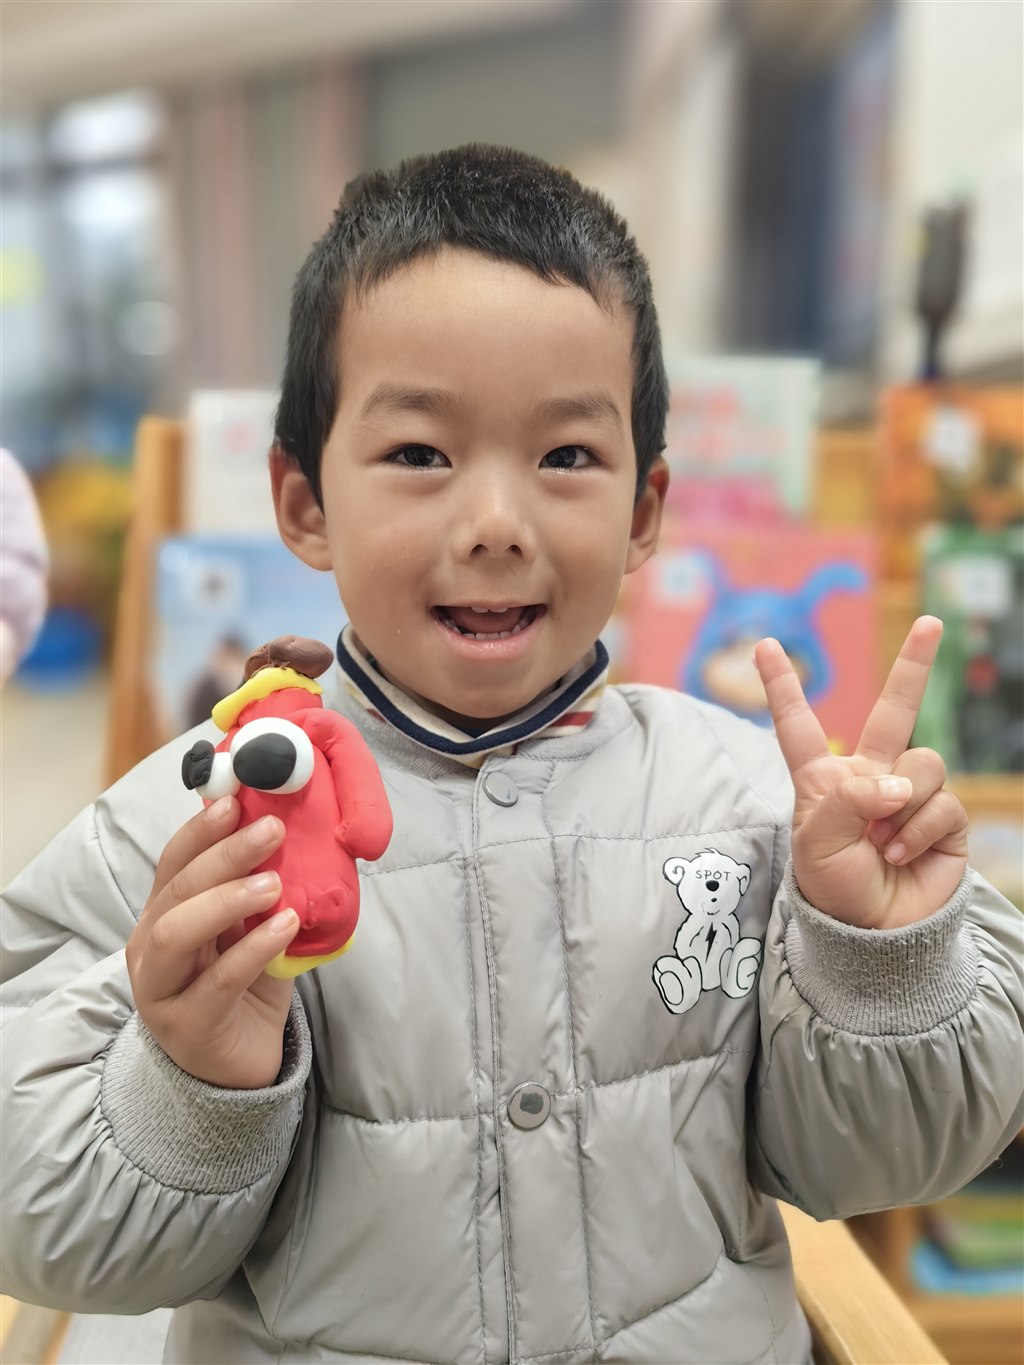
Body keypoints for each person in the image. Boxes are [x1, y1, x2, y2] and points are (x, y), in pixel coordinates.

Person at [1, 146, 1021, 1365]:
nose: (495, 525)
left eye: (566, 457)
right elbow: (45, 1223)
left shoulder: (754, 802)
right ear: (305, 504)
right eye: (420, 455)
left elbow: (876, 1161)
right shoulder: (190, 830)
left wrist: (875, 959)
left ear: (642, 512)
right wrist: (185, 1081)